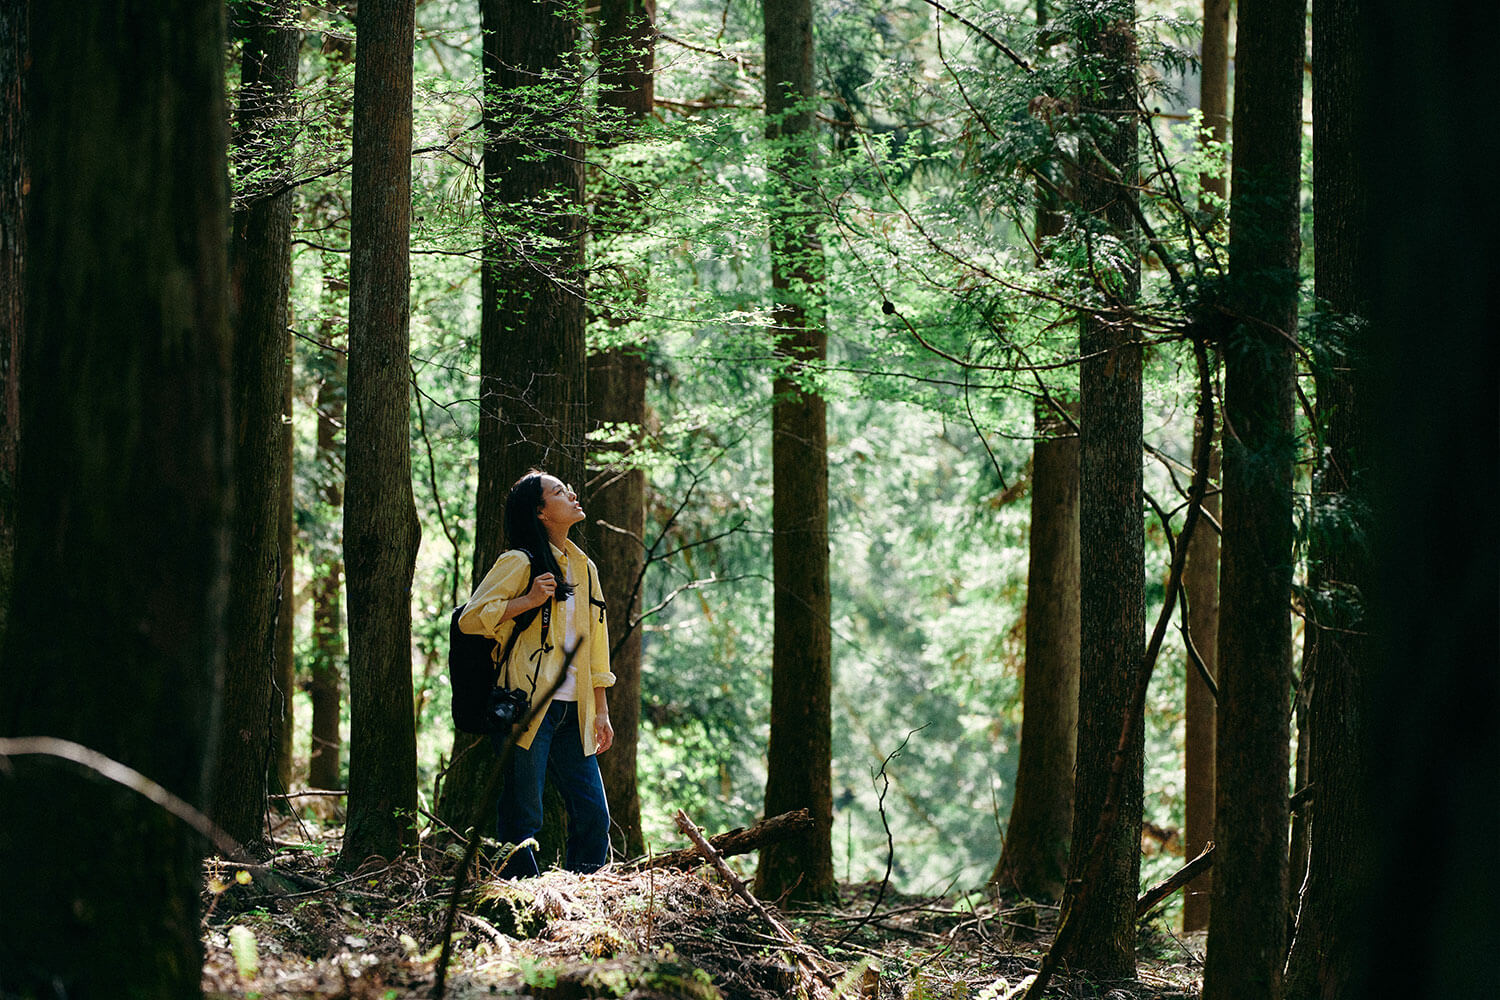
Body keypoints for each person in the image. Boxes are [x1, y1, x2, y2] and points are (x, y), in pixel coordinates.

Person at [458, 470, 615, 876]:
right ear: (541, 512)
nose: (572, 495)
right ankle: (519, 901)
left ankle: (581, 903)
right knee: (523, 819)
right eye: (560, 492)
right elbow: (470, 620)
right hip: (526, 710)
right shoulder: (519, 561)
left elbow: (597, 645)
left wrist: (601, 710)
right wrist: (526, 601)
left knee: (594, 816)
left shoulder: (584, 568)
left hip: (574, 712)